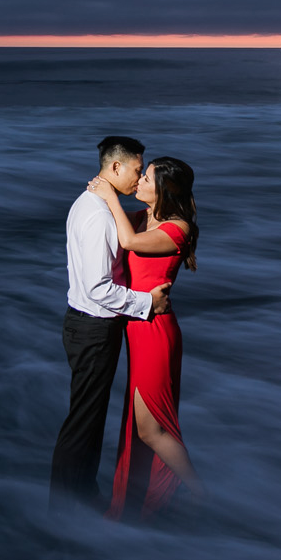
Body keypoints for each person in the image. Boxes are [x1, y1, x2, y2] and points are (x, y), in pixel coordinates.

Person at [50, 137, 172, 510]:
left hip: (84, 326)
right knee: (83, 424)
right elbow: (98, 287)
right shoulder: (99, 215)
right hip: (94, 329)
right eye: (138, 170)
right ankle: (69, 507)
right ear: (116, 167)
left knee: (86, 419)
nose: (139, 179)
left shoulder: (93, 203)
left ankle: (77, 498)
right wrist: (147, 303)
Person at [87, 155, 203, 520]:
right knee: (140, 428)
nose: (138, 182)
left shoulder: (177, 229)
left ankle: (200, 495)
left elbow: (130, 241)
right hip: (136, 329)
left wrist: (108, 195)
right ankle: (138, 507)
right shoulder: (143, 216)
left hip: (155, 332)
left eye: (147, 177)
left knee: (151, 429)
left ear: (164, 189)